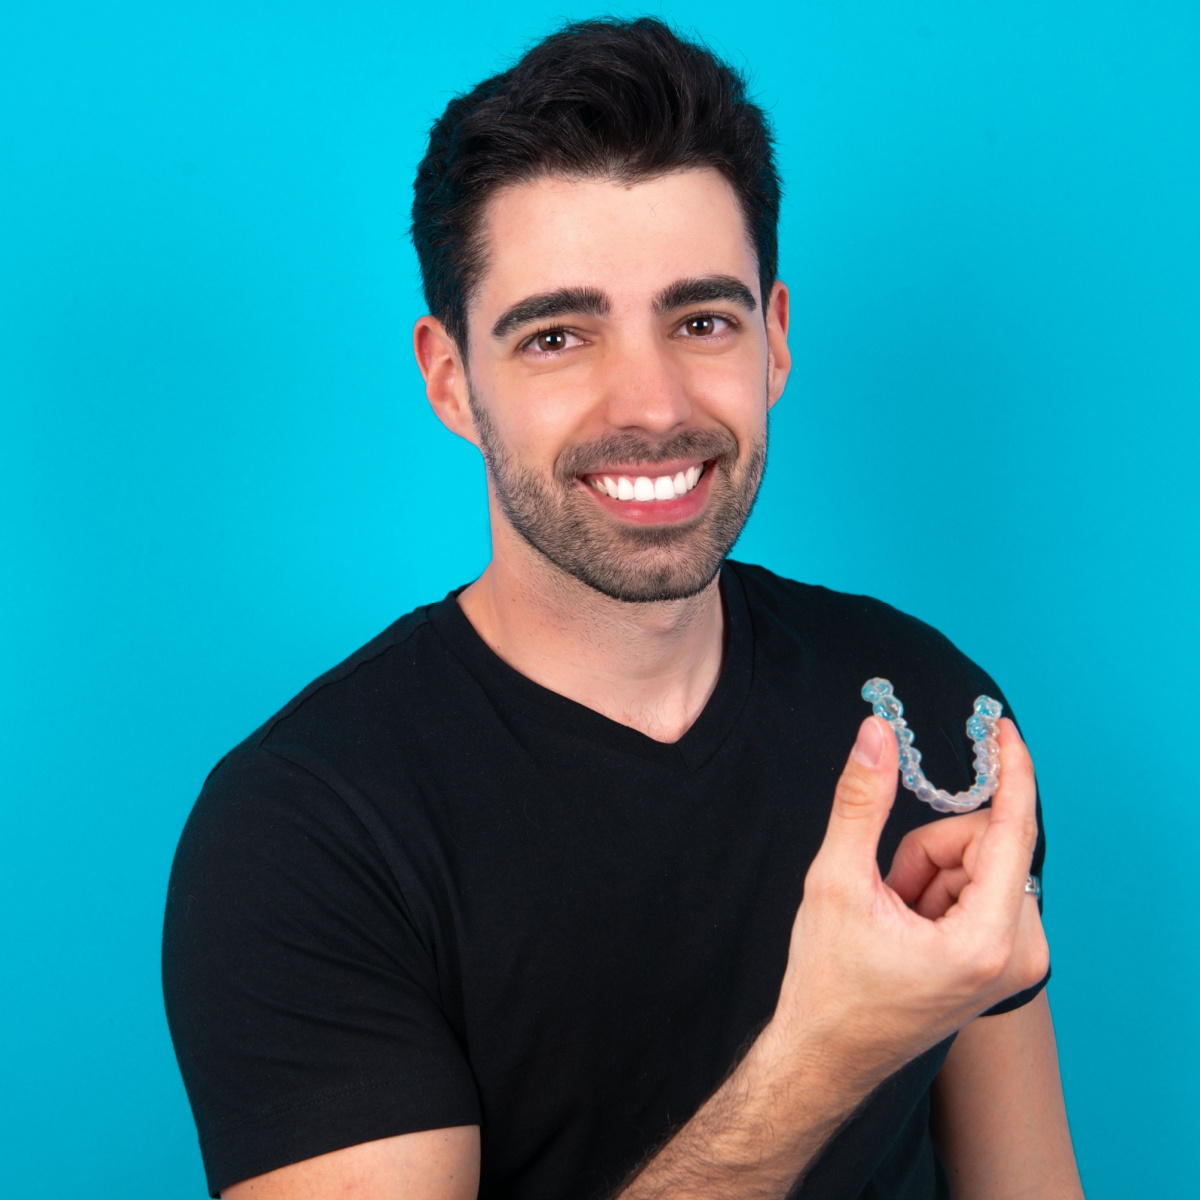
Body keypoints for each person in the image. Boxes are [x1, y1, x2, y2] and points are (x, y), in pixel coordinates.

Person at [162, 18, 1084, 1200]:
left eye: (702, 320)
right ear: (451, 379)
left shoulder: (930, 703)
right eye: (558, 335)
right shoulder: (302, 835)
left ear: (777, 341)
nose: (649, 405)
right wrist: (824, 1054)